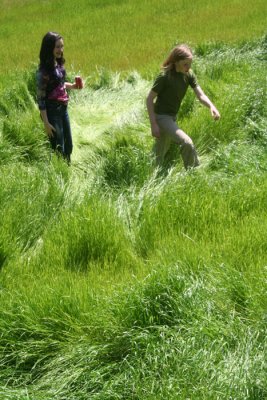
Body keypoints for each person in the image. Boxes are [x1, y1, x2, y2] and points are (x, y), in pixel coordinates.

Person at [146, 44, 220, 170]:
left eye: (190, 63)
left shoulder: (188, 74)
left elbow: (200, 94)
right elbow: (149, 99)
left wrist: (211, 107)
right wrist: (154, 124)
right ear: (175, 62)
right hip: (162, 117)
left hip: (172, 116)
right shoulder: (164, 77)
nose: (189, 67)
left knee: (159, 154)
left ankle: (153, 172)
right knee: (187, 143)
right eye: (185, 64)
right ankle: (194, 173)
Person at [37, 31, 83, 163]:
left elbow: (60, 84)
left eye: (62, 46)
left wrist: (73, 86)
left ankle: (67, 169)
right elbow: (40, 99)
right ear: (49, 47)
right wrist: (46, 123)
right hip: (52, 112)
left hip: (63, 109)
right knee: (59, 148)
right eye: (57, 47)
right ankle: (60, 176)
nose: (60, 50)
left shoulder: (58, 64)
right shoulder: (43, 72)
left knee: (68, 146)